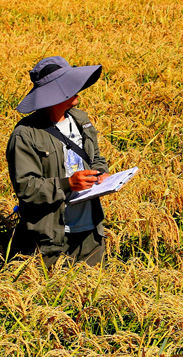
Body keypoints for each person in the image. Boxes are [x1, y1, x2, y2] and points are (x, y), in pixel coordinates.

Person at [6, 56, 111, 267]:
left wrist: (101, 173)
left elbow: (95, 157)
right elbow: (26, 187)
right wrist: (68, 184)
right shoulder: (26, 135)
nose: (77, 88)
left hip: (90, 232)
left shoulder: (81, 120)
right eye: (69, 84)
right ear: (54, 93)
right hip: (50, 238)